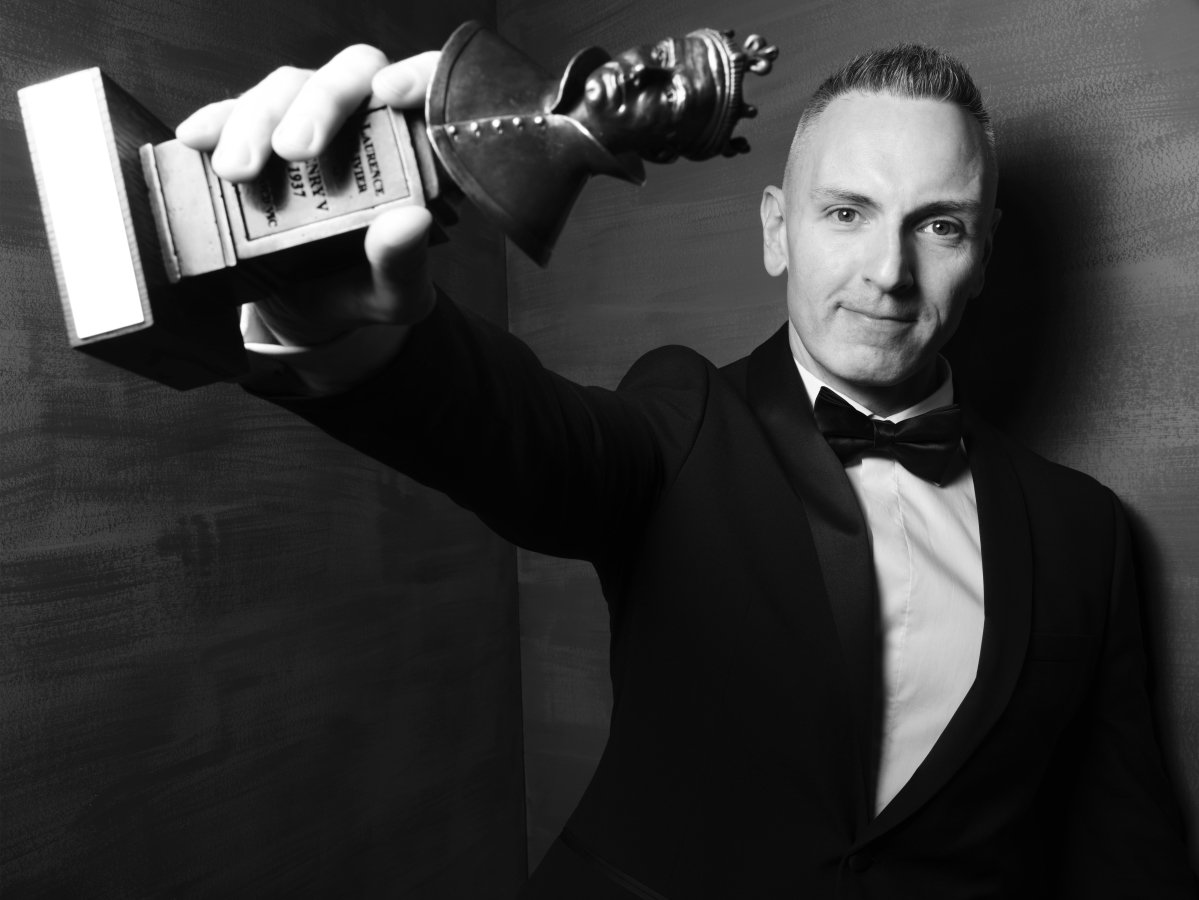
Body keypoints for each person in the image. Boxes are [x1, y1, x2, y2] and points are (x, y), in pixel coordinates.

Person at [177, 37, 1197, 899]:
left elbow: (1125, 855)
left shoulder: (1085, 536)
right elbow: (524, 442)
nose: (887, 273)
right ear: (773, 232)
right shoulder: (682, 415)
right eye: (844, 212)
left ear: (982, 251)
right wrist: (354, 338)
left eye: (937, 225)